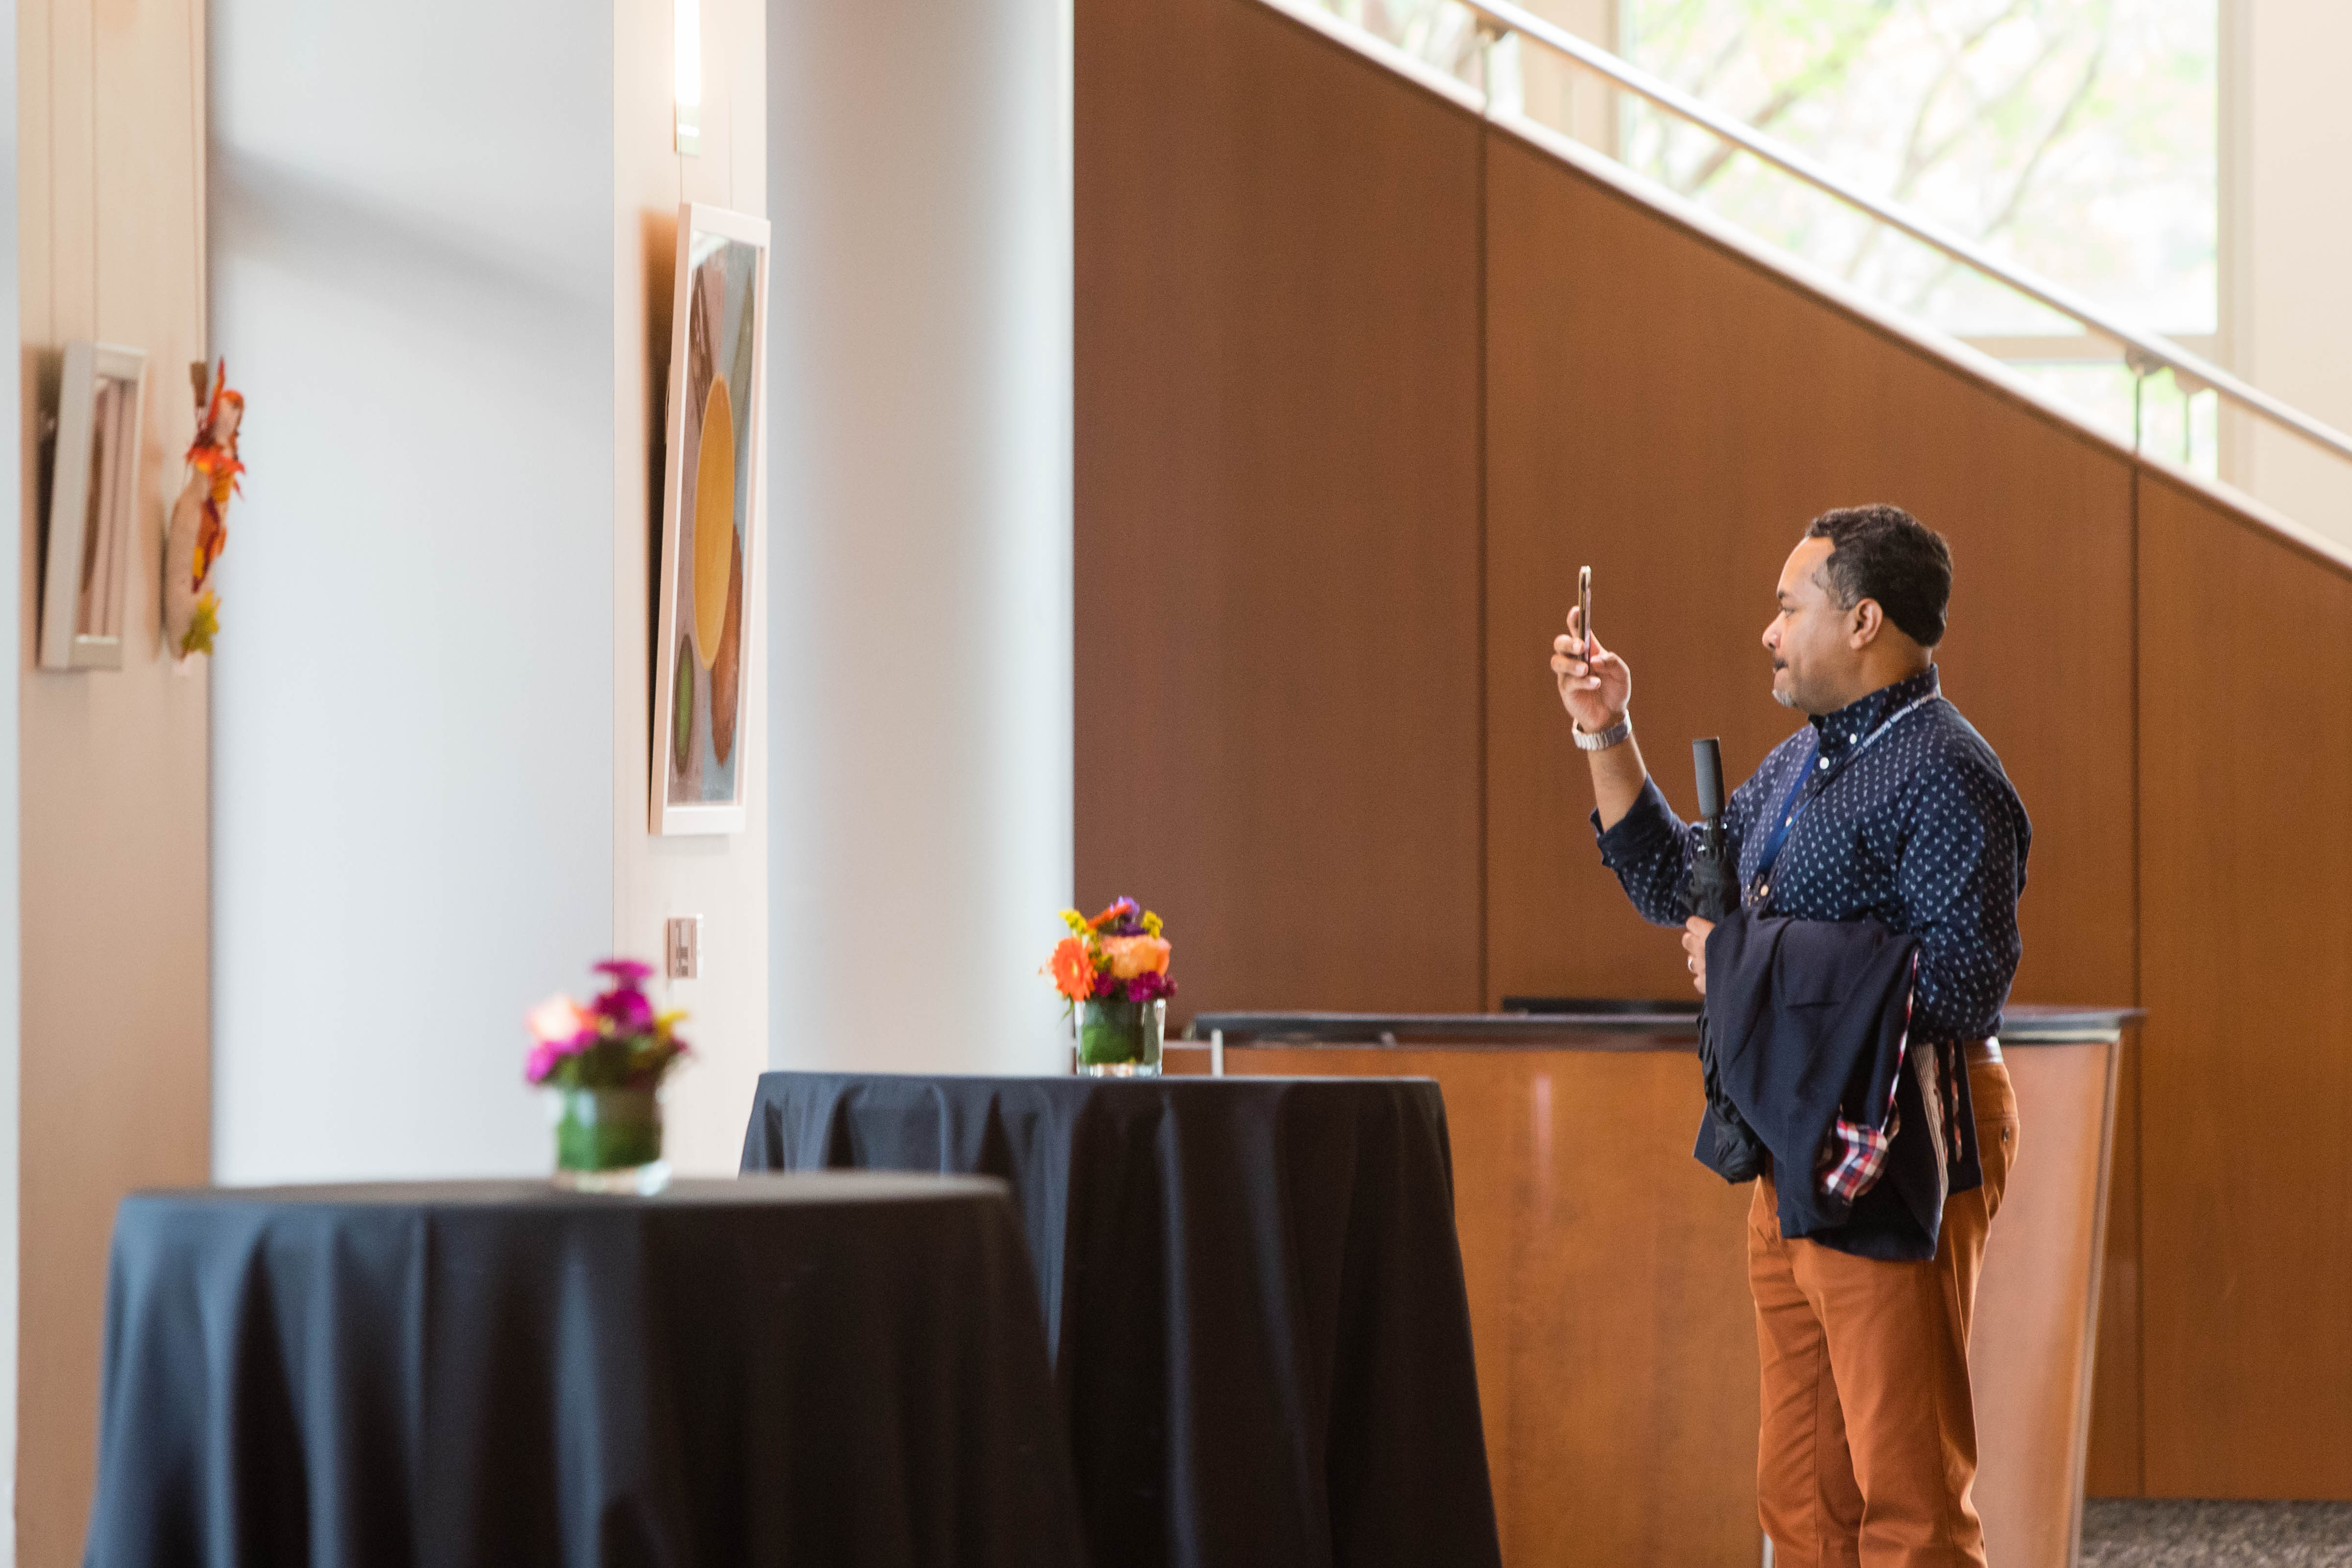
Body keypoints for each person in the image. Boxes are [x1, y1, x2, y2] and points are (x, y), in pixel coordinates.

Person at [1549, 504, 2029, 1568]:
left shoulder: (1944, 771)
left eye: (1785, 607)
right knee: (1802, 1492)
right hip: (1794, 1137)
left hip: (1901, 1135)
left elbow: (1961, 985)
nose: (1767, 632)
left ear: (1862, 621)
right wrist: (1604, 729)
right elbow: (1676, 883)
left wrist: (1746, 961)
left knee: (1905, 1495)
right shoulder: (1804, 761)